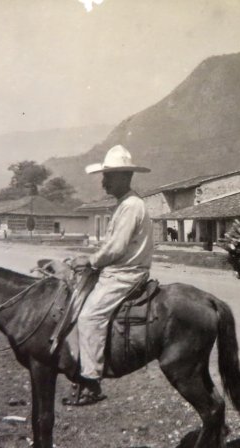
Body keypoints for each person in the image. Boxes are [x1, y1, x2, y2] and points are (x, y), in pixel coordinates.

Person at [64, 145, 153, 403]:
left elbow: (116, 247)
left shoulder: (131, 207)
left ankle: (91, 382)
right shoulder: (124, 205)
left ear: (125, 177)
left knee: (90, 316)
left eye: (108, 176)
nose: (103, 182)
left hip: (124, 274)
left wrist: (91, 261)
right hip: (117, 269)